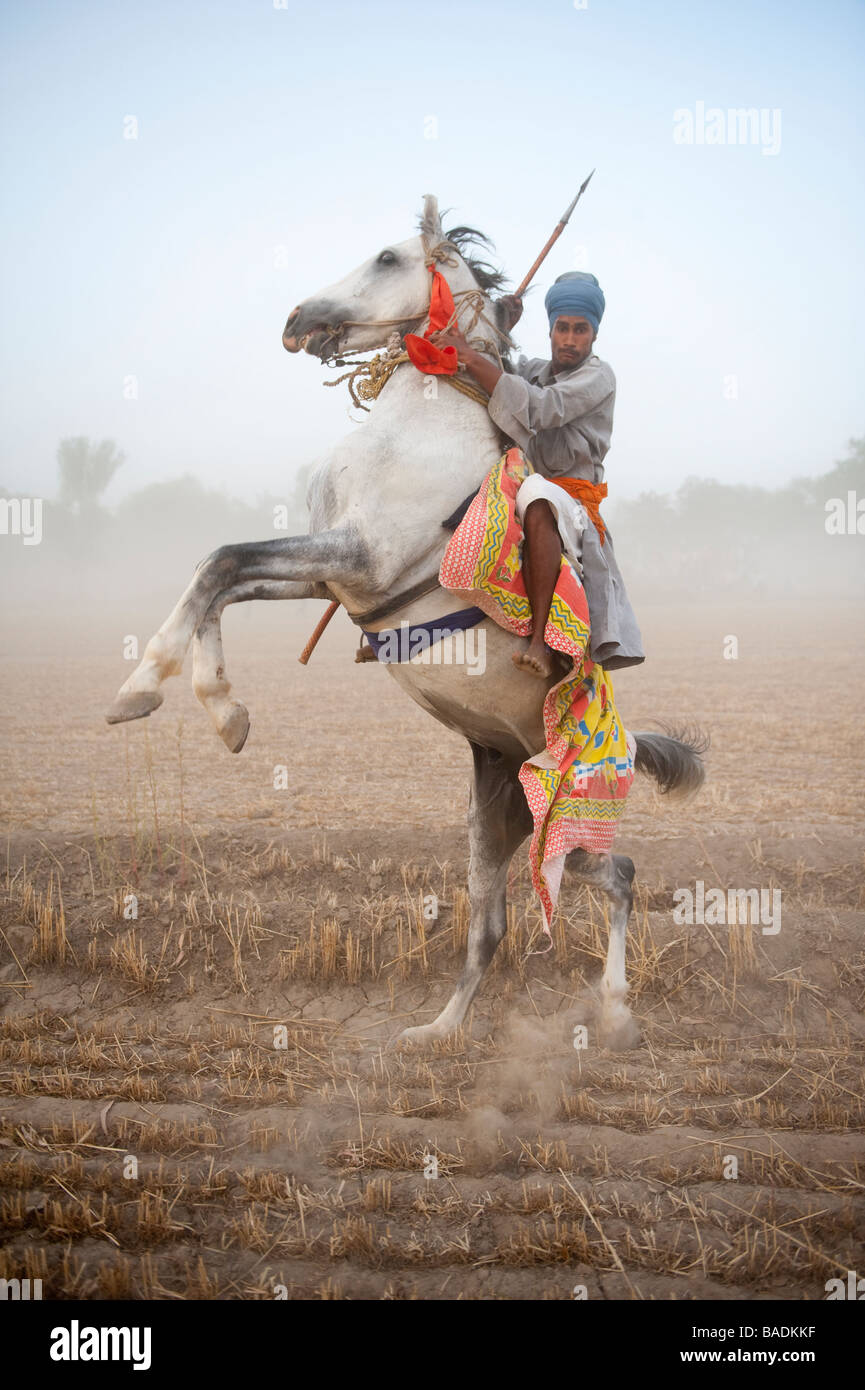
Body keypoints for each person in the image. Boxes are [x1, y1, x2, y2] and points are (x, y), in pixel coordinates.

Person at [435, 271, 644, 676]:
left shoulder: (599, 376)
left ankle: (542, 643)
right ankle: (419, 629)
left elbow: (540, 408)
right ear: (550, 330)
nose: (569, 339)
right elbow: (503, 373)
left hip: (572, 503)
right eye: (561, 328)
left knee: (538, 498)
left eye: (579, 330)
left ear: (594, 335)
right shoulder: (534, 370)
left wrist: (474, 357)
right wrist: (500, 330)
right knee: (459, 505)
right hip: (526, 485)